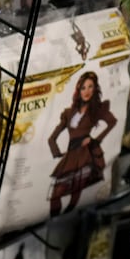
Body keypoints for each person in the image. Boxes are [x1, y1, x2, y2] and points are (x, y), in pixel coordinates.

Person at [46, 71, 117, 217]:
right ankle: (57, 217)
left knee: (75, 192)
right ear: (78, 90)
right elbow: (51, 138)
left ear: (95, 89)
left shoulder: (96, 110)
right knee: (56, 195)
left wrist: (95, 140)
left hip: (85, 154)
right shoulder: (68, 112)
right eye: (83, 87)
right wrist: (57, 153)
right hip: (71, 155)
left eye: (91, 87)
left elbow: (112, 122)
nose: (87, 91)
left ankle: (66, 216)